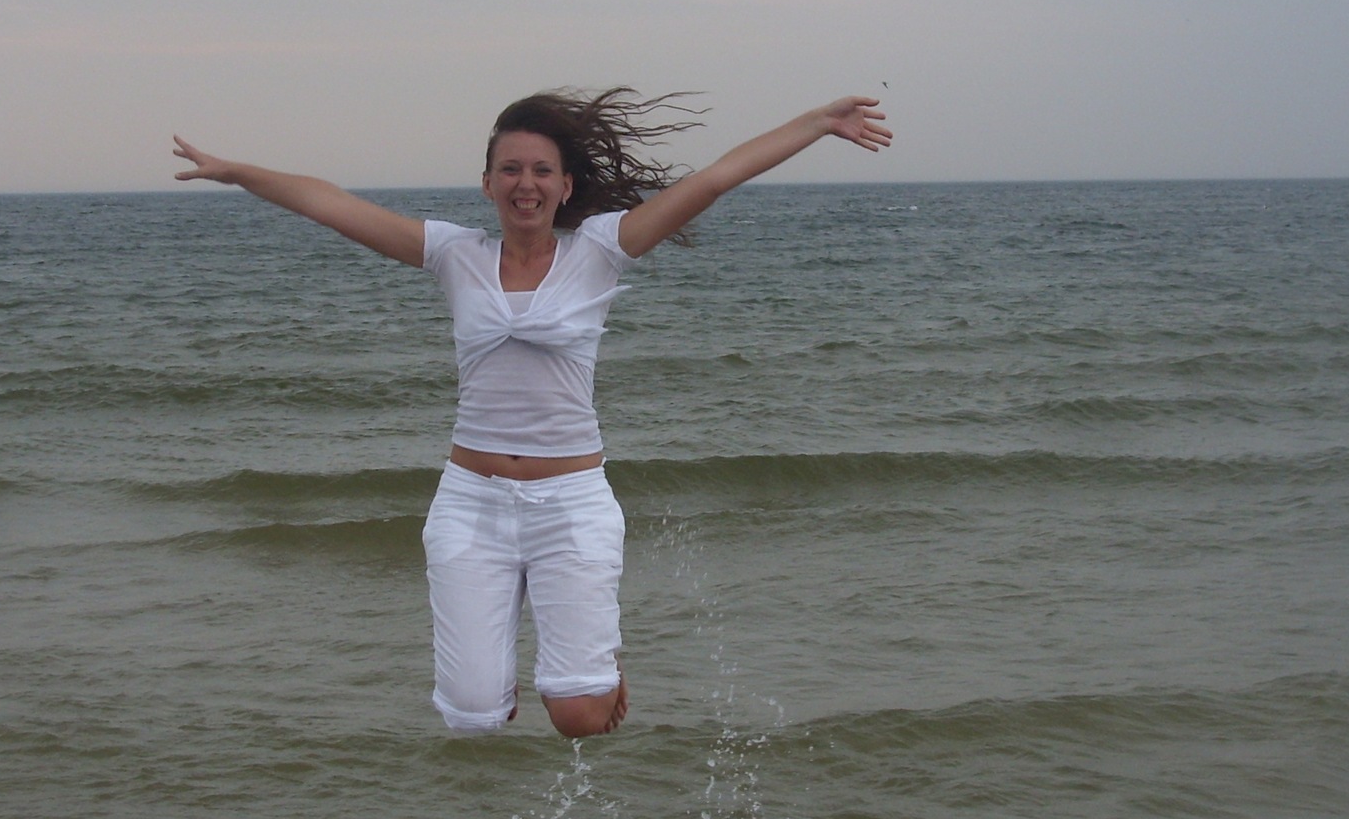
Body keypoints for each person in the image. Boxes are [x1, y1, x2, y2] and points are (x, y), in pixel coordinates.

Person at [171, 90, 892, 738]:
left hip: (570, 501)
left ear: (565, 185)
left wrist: (815, 124)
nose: (526, 183)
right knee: (472, 718)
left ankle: (595, 664)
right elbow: (328, 204)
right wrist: (236, 173)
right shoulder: (454, 255)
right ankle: (521, 659)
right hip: (471, 501)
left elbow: (712, 179)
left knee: (579, 719)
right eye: (510, 170)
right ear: (487, 184)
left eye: (542, 170)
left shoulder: (601, 250)